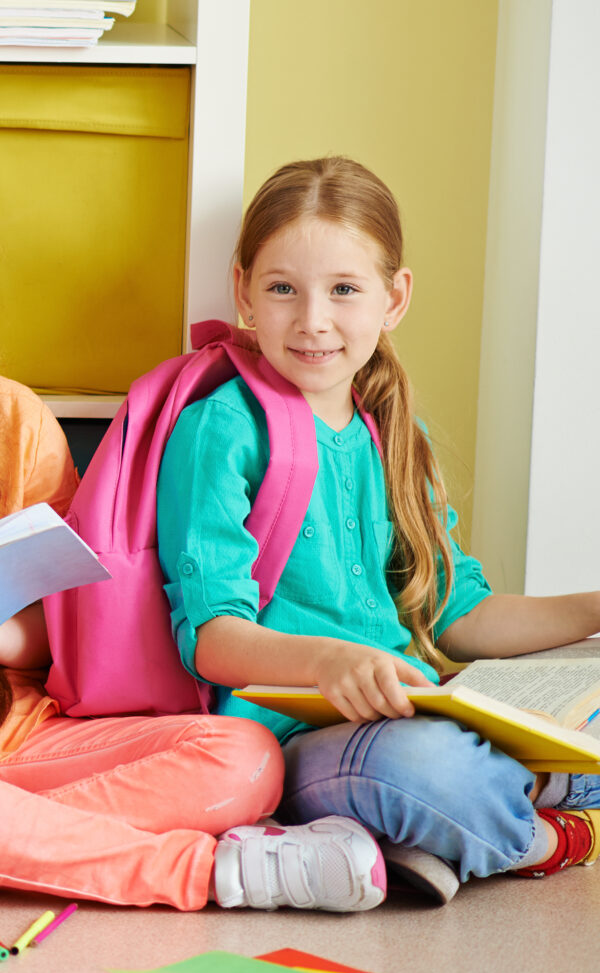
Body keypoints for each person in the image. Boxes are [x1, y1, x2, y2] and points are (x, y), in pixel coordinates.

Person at [0, 165, 386, 914]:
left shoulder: (19, 421)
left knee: (245, 758)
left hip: (33, 735)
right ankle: (209, 874)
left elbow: (72, 627)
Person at [156, 155, 600, 902]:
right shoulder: (221, 431)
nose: (312, 320)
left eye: (344, 290)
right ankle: (547, 831)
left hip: (416, 704)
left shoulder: (395, 432)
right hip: (298, 740)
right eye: (282, 289)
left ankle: (446, 831)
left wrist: (593, 610)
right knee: (428, 770)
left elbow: (457, 616)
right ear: (243, 291)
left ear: (393, 298)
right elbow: (212, 637)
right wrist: (330, 662)